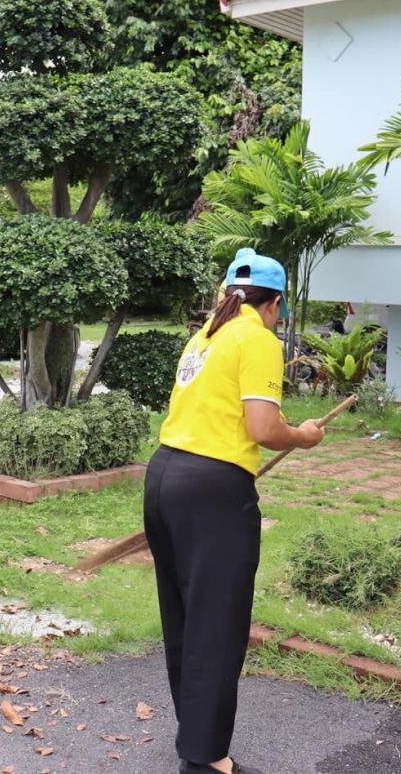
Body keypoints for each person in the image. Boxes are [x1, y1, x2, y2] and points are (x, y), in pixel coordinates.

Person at [146, 249, 325, 774]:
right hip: (213, 492)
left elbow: (223, 410)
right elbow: (264, 429)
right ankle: (205, 760)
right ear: (274, 305)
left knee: (183, 618)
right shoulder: (258, 338)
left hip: (164, 477)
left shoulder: (206, 334)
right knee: (217, 624)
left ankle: (194, 736)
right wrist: (305, 437)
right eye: (280, 311)